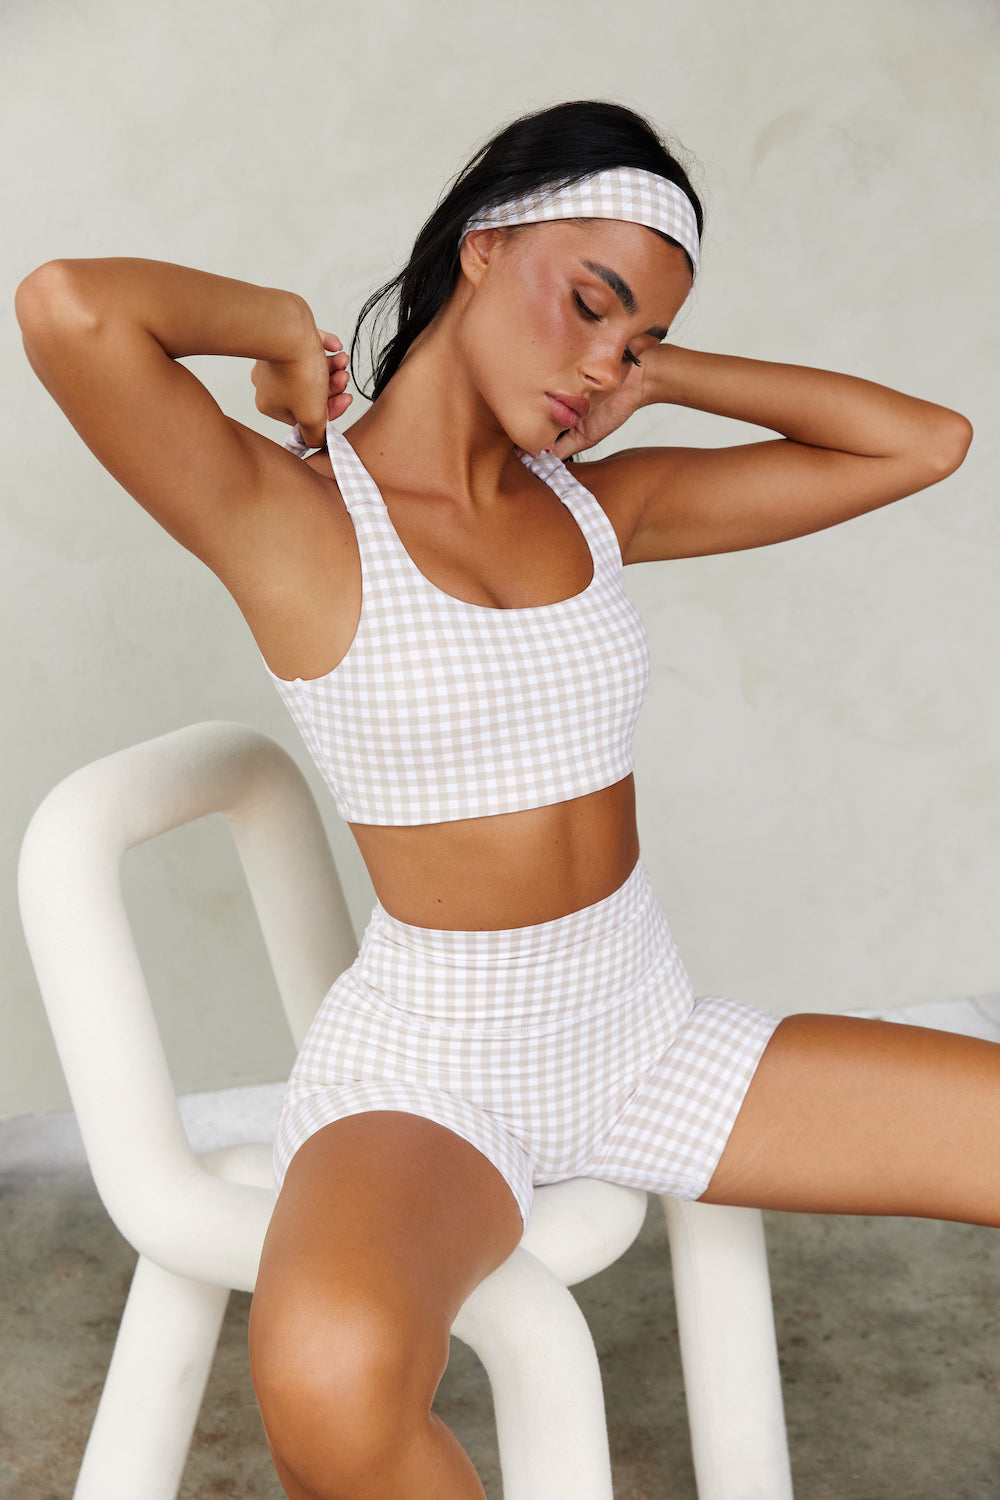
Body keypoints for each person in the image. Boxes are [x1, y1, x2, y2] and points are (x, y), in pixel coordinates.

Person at [15, 98, 993, 1500]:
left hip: (653, 1035)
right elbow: (69, 309)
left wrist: (661, 373)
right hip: (437, 1071)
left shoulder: (600, 506)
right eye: (589, 304)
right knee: (330, 1390)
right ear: (482, 247)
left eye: (638, 338)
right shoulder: (293, 517)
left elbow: (926, 442)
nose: (603, 363)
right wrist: (284, 332)